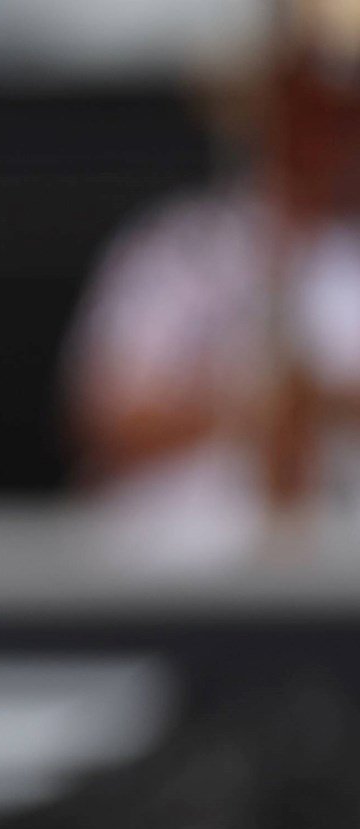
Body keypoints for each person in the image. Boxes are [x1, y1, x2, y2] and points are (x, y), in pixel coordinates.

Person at [66, 0, 360, 559]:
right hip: (186, 571)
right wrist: (249, 405)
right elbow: (107, 419)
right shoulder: (176, 250)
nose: (320, 133)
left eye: (336, 112)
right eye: (297, 106)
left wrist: (324, 404)